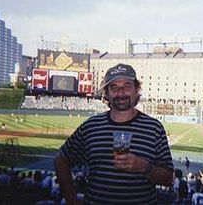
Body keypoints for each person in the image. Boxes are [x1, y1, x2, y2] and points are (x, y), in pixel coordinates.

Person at [54, 63, 174, 204]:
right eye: (114, 87)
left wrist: (143, 167)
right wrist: (71, 199)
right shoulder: (91, 126)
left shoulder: (154, 128)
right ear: (107, 93)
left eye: (127, 86)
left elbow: (168, 179)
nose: (120, 92)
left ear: (136, 90)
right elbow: (61, 159)